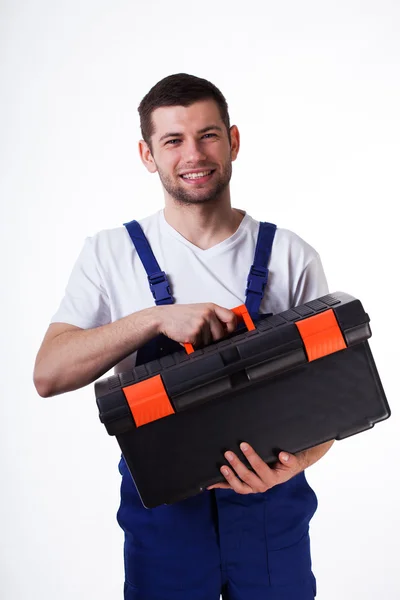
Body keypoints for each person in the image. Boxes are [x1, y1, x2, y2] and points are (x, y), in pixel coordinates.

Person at [34, 73, 334, 600]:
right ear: (148, 154)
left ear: (233, 140)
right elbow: (49, 374)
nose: (193, 154)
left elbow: (329, 406)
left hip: (272, 515)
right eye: (173, 140)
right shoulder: (110, 254)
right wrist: (152, 319)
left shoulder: (291, 256)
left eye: (208, 135)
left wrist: (294, 467)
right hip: (164, 522)